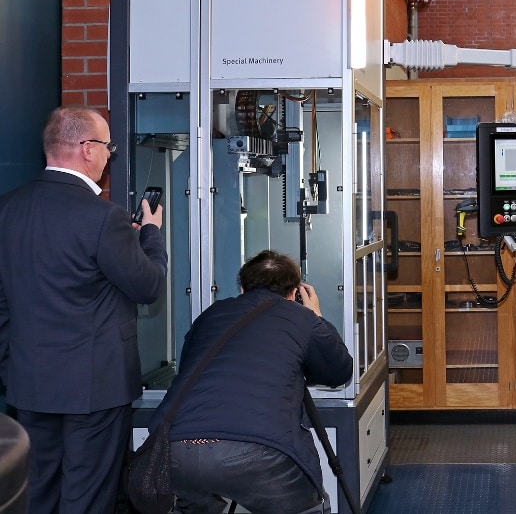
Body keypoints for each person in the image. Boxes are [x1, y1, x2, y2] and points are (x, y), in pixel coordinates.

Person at [0, 105, 168, 513]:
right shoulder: (103, 217)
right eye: (108, 146)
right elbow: (148, 285)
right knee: (88, 496)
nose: (110, 155)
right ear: (86, 149)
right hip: (96, 387)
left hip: (29, 381)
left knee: (35, 493)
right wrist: (150, 235)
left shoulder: (7, 209)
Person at [150, 249, 353, 514]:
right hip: (259, 449)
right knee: (307, 506)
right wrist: (316, 316)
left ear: (243, 289)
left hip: (177, 446)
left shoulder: (211, 315)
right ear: (294, 294)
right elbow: (339, 371)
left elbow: (191, 368)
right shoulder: (302, 318)